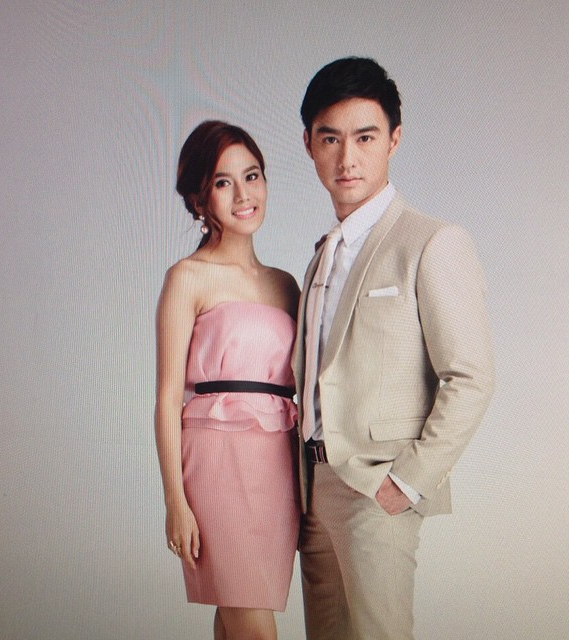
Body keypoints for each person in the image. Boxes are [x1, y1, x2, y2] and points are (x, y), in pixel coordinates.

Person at [294, 57, 496, 639]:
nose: (347, 158)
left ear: (394, 140)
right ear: (308, 145)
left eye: (365, 138)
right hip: (311, 487)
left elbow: (471, 377)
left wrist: (406, 482)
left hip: (375, 486)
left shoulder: (432, 241)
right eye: (330, 139)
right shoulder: (322, 255)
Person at [155, 121, 300, 640]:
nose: (243, 194)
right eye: (223, 182)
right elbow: (167, 398)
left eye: (252, 176)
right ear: (200, 199)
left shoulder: (286, 285)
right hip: (215, 464)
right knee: (253, 624)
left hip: (276, 468)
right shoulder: (187, 278)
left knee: (235, 620)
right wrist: (175, 501)